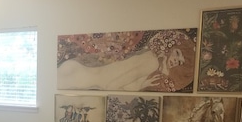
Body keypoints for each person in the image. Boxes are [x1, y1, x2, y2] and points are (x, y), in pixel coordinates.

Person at [57, 29, 195, 92]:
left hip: (80, 73)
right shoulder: (152, 63)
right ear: (170, 47)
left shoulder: (152, 59)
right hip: (81, 78)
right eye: (178, 53)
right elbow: (111, 86)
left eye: (181, 62)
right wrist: (140, 87)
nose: (177, 61)